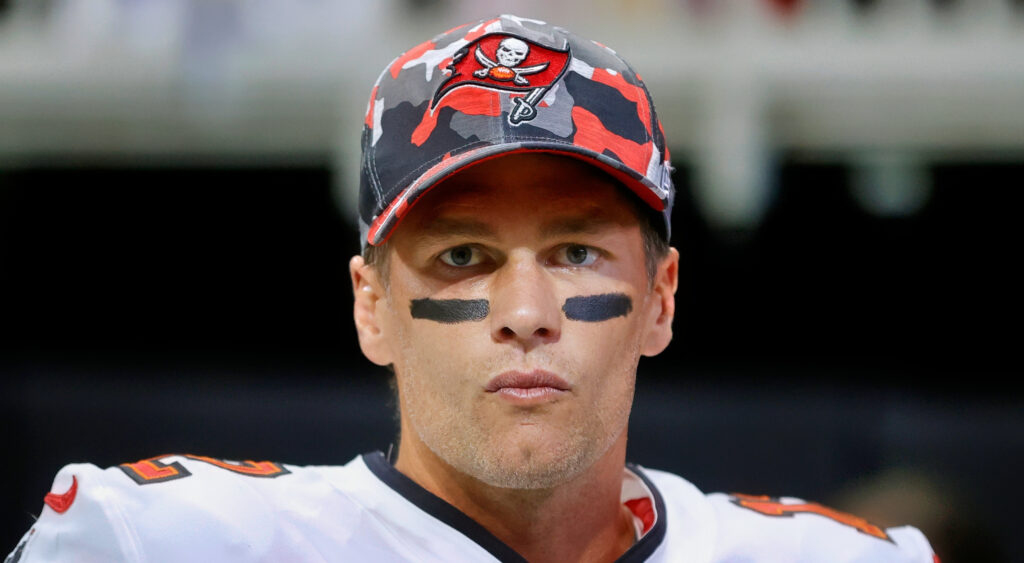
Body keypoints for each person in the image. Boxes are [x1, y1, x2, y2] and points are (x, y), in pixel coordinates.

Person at [6, 14, 937, 563]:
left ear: (662, 295)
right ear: (370, 304)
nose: (526, 316)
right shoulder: (162, 545)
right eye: (463, 258)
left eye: (575, 253)